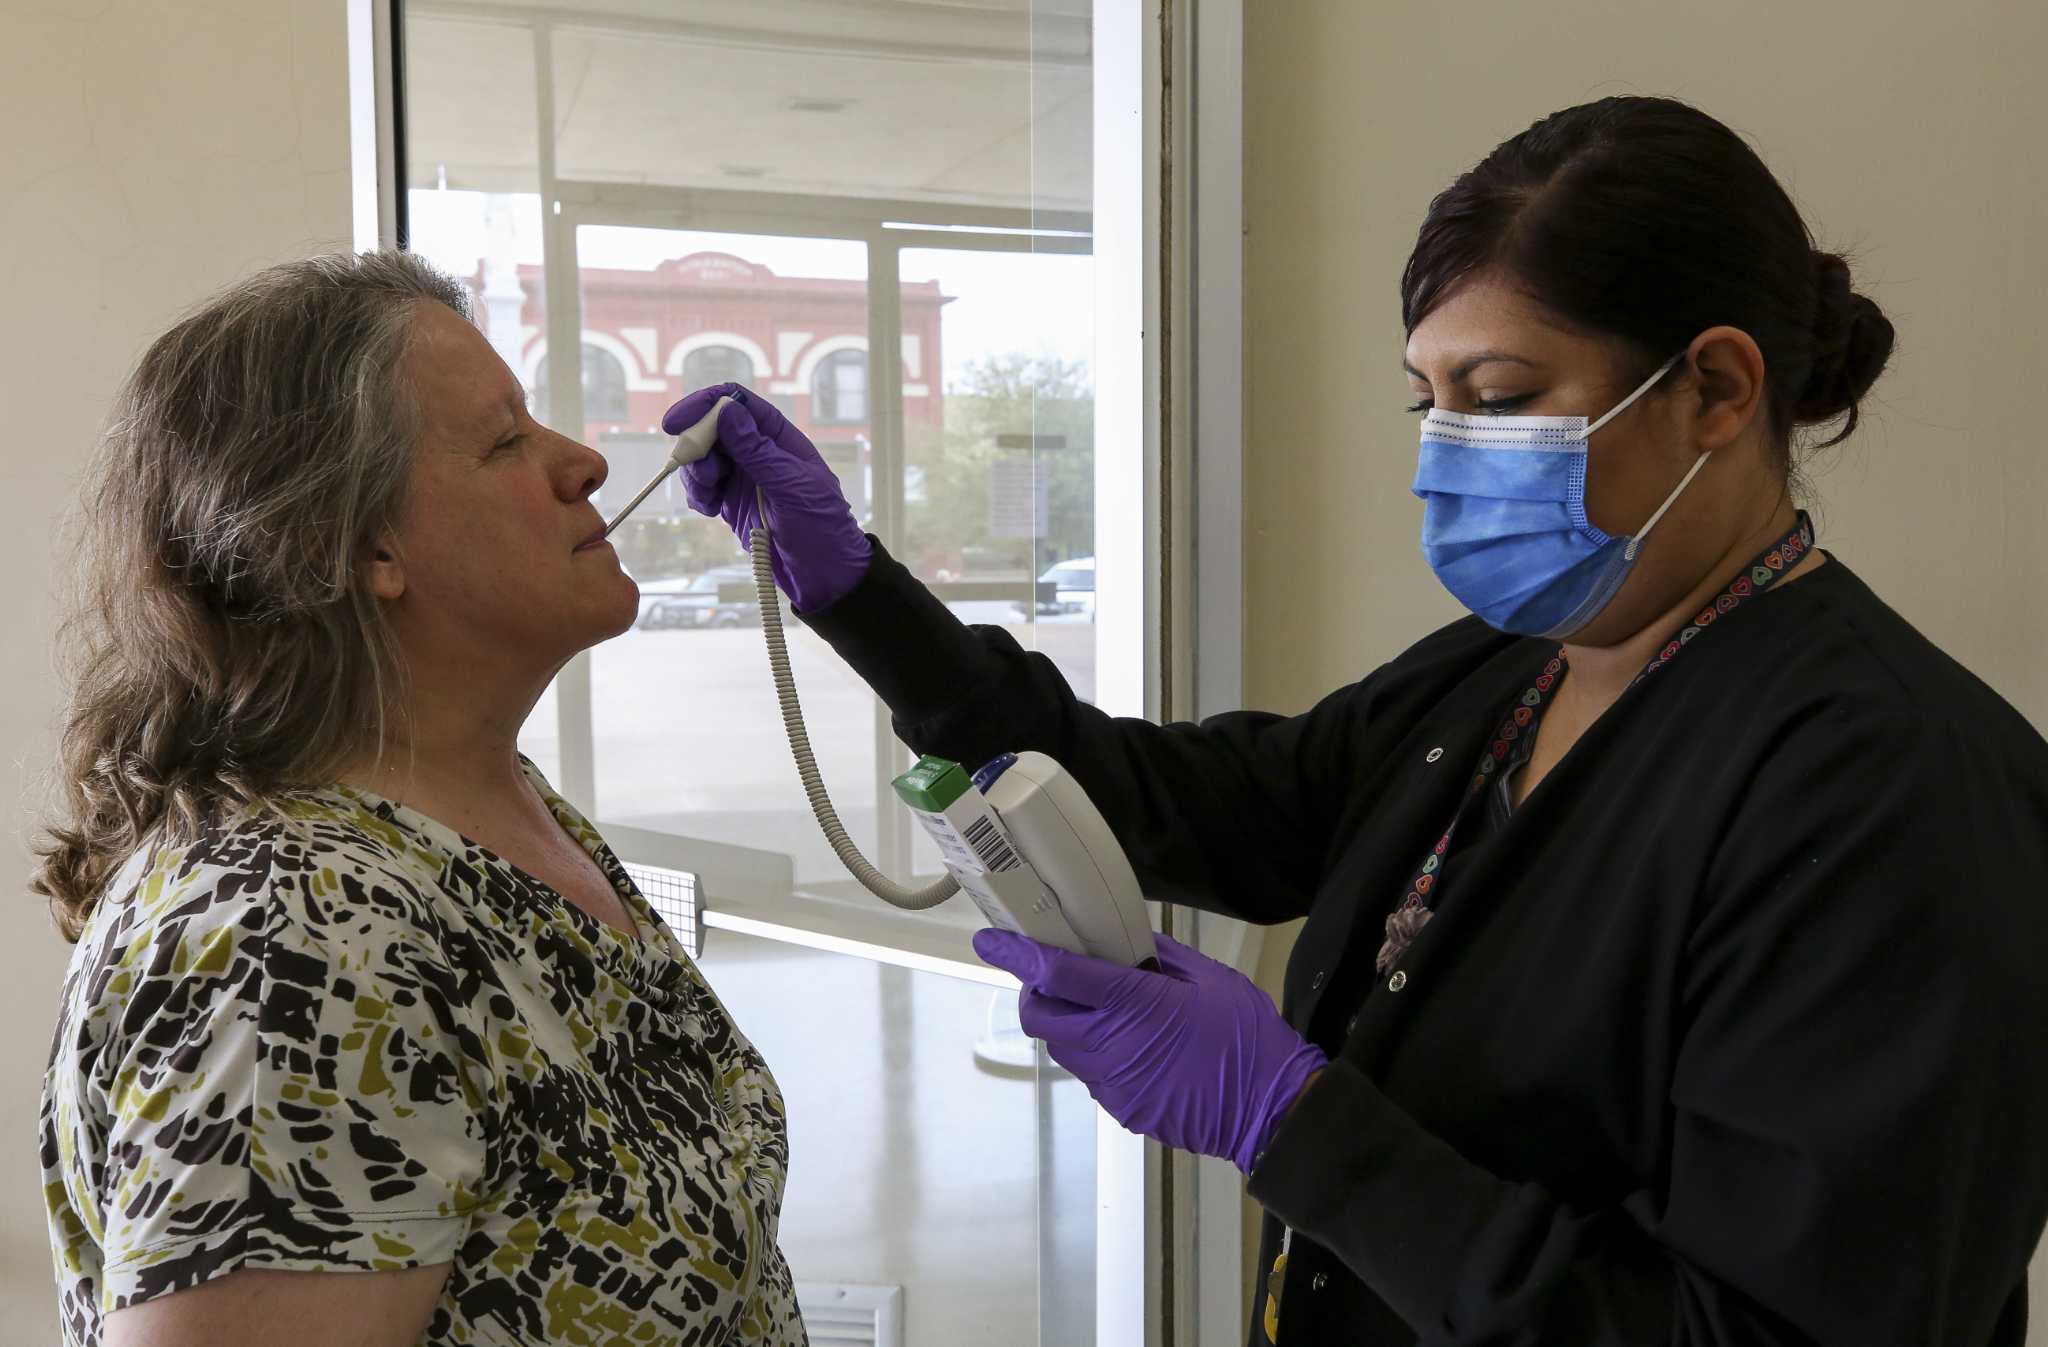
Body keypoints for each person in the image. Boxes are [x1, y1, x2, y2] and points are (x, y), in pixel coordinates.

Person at [667, 97, 2048, 1345]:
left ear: (1718, 387)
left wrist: (1296, 1121)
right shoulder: (1514, 669)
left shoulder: (1898, 793)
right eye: (1429, 401)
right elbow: (1211, 803)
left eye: (1501, 400)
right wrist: (860, 596)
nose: (1445, 454)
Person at [36, 253, 807, 1347]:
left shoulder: (485, 812)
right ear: (351, 546)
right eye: (505, 442)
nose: (585, 463)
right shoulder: (286, 944)